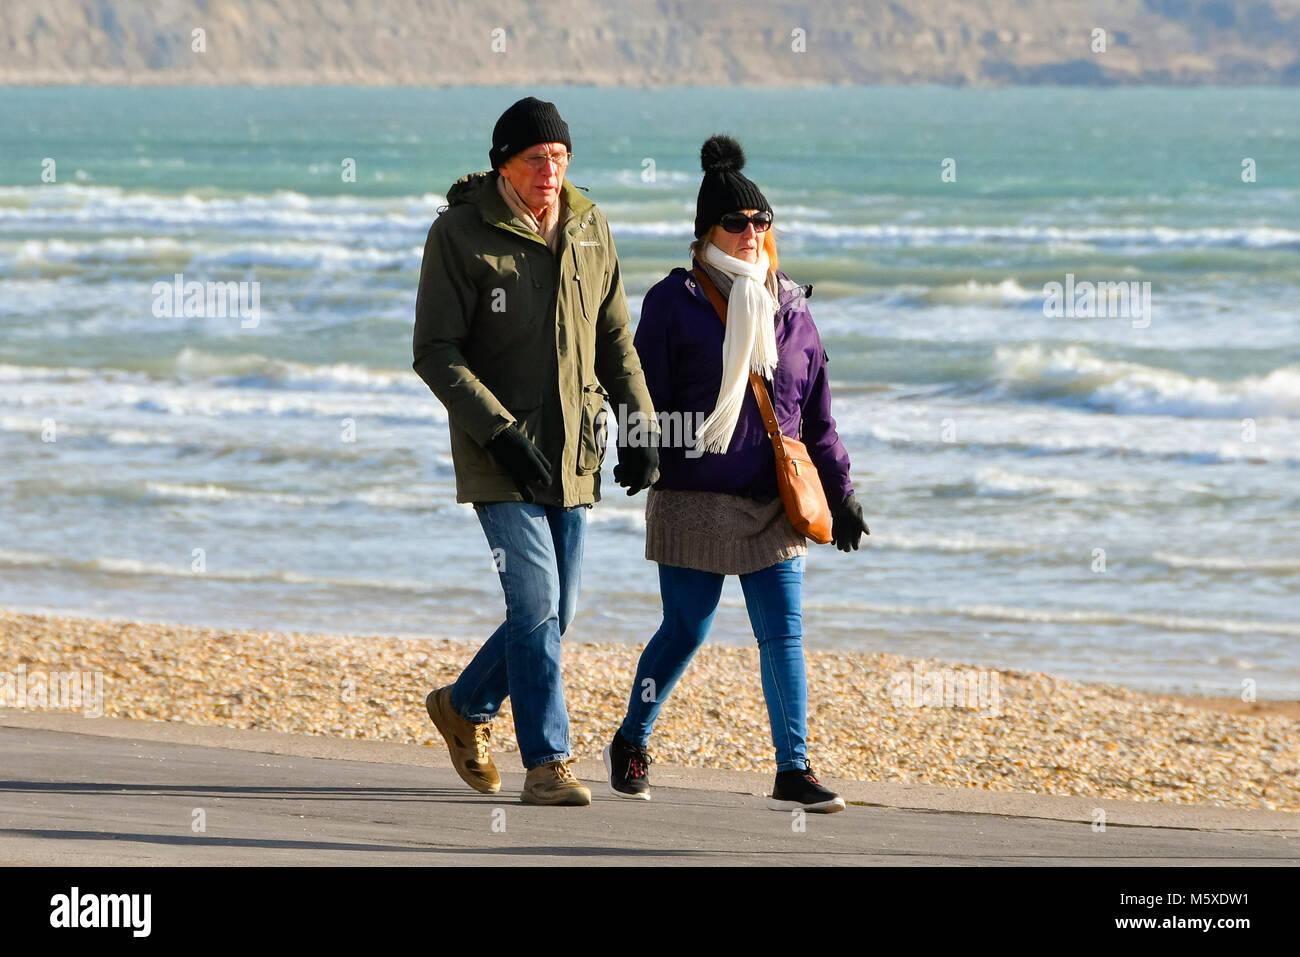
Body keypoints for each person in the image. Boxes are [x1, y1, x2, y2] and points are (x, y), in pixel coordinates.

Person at [602, 134, 869, 812]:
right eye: (736, 222)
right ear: (705, 233)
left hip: (771, 501)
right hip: (693, 497)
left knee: (783, 630)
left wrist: (843, 494)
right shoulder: (674, 301)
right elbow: (638, 389)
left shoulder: (792, 308)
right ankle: (632, 735)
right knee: (685, 629)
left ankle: (794, 766)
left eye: (762, 221)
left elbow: (815, 418)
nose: (752, 233)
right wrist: (637, 447)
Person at [413, 97, 659, 806]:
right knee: (537, 601)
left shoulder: (589, 226)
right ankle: (548, 763)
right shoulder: (459, 236)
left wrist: (639, 424)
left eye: (560, 158)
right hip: (500, 454)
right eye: (535, 159)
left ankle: (464, 706)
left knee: (558, 609)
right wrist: (497, 431)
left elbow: (614, 338)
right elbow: (435, 351)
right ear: (503, 164)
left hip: (573, 451)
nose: (551, 171)